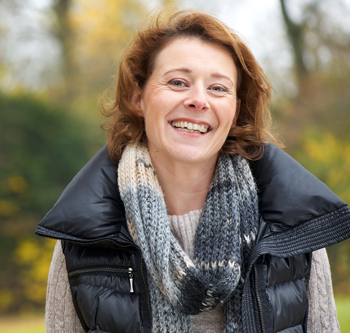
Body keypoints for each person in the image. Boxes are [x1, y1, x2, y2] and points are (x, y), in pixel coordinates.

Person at [36, 9, 350, 333]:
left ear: (235, 109)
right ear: (137, 98)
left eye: (218, 88)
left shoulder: (289, 226)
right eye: (178, 82)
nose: (199, 100)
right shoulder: (84, 237)